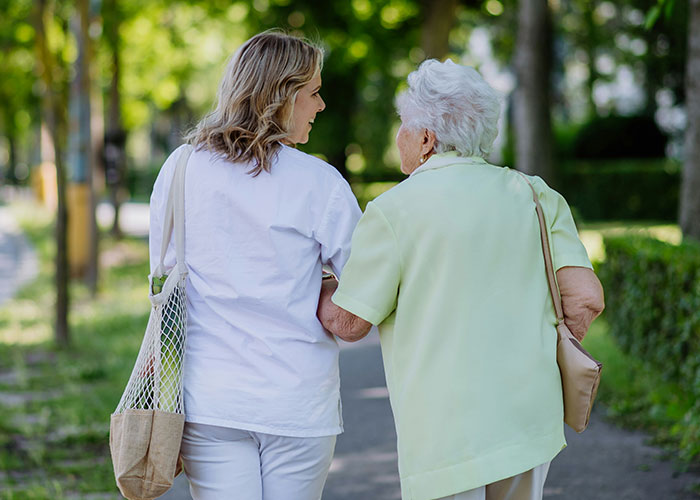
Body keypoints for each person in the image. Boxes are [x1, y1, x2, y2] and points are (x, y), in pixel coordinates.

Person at [317, 59, 605, 500]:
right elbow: (585, 299)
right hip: (529, 418)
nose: (399, 137)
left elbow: (350, 323)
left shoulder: (393, 211)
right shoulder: (534, 194)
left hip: (443, 432)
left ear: (427, 139)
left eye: (403, 126)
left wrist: (313, 283)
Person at [148, 31, 361, 500]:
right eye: (314, 93)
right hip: (297, 404)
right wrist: (323, 278)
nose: (320, 105)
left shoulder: (181, 167)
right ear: (283, 97)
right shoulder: (320, 184)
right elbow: (363, 296)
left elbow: (164, 268)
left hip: (211, 400)